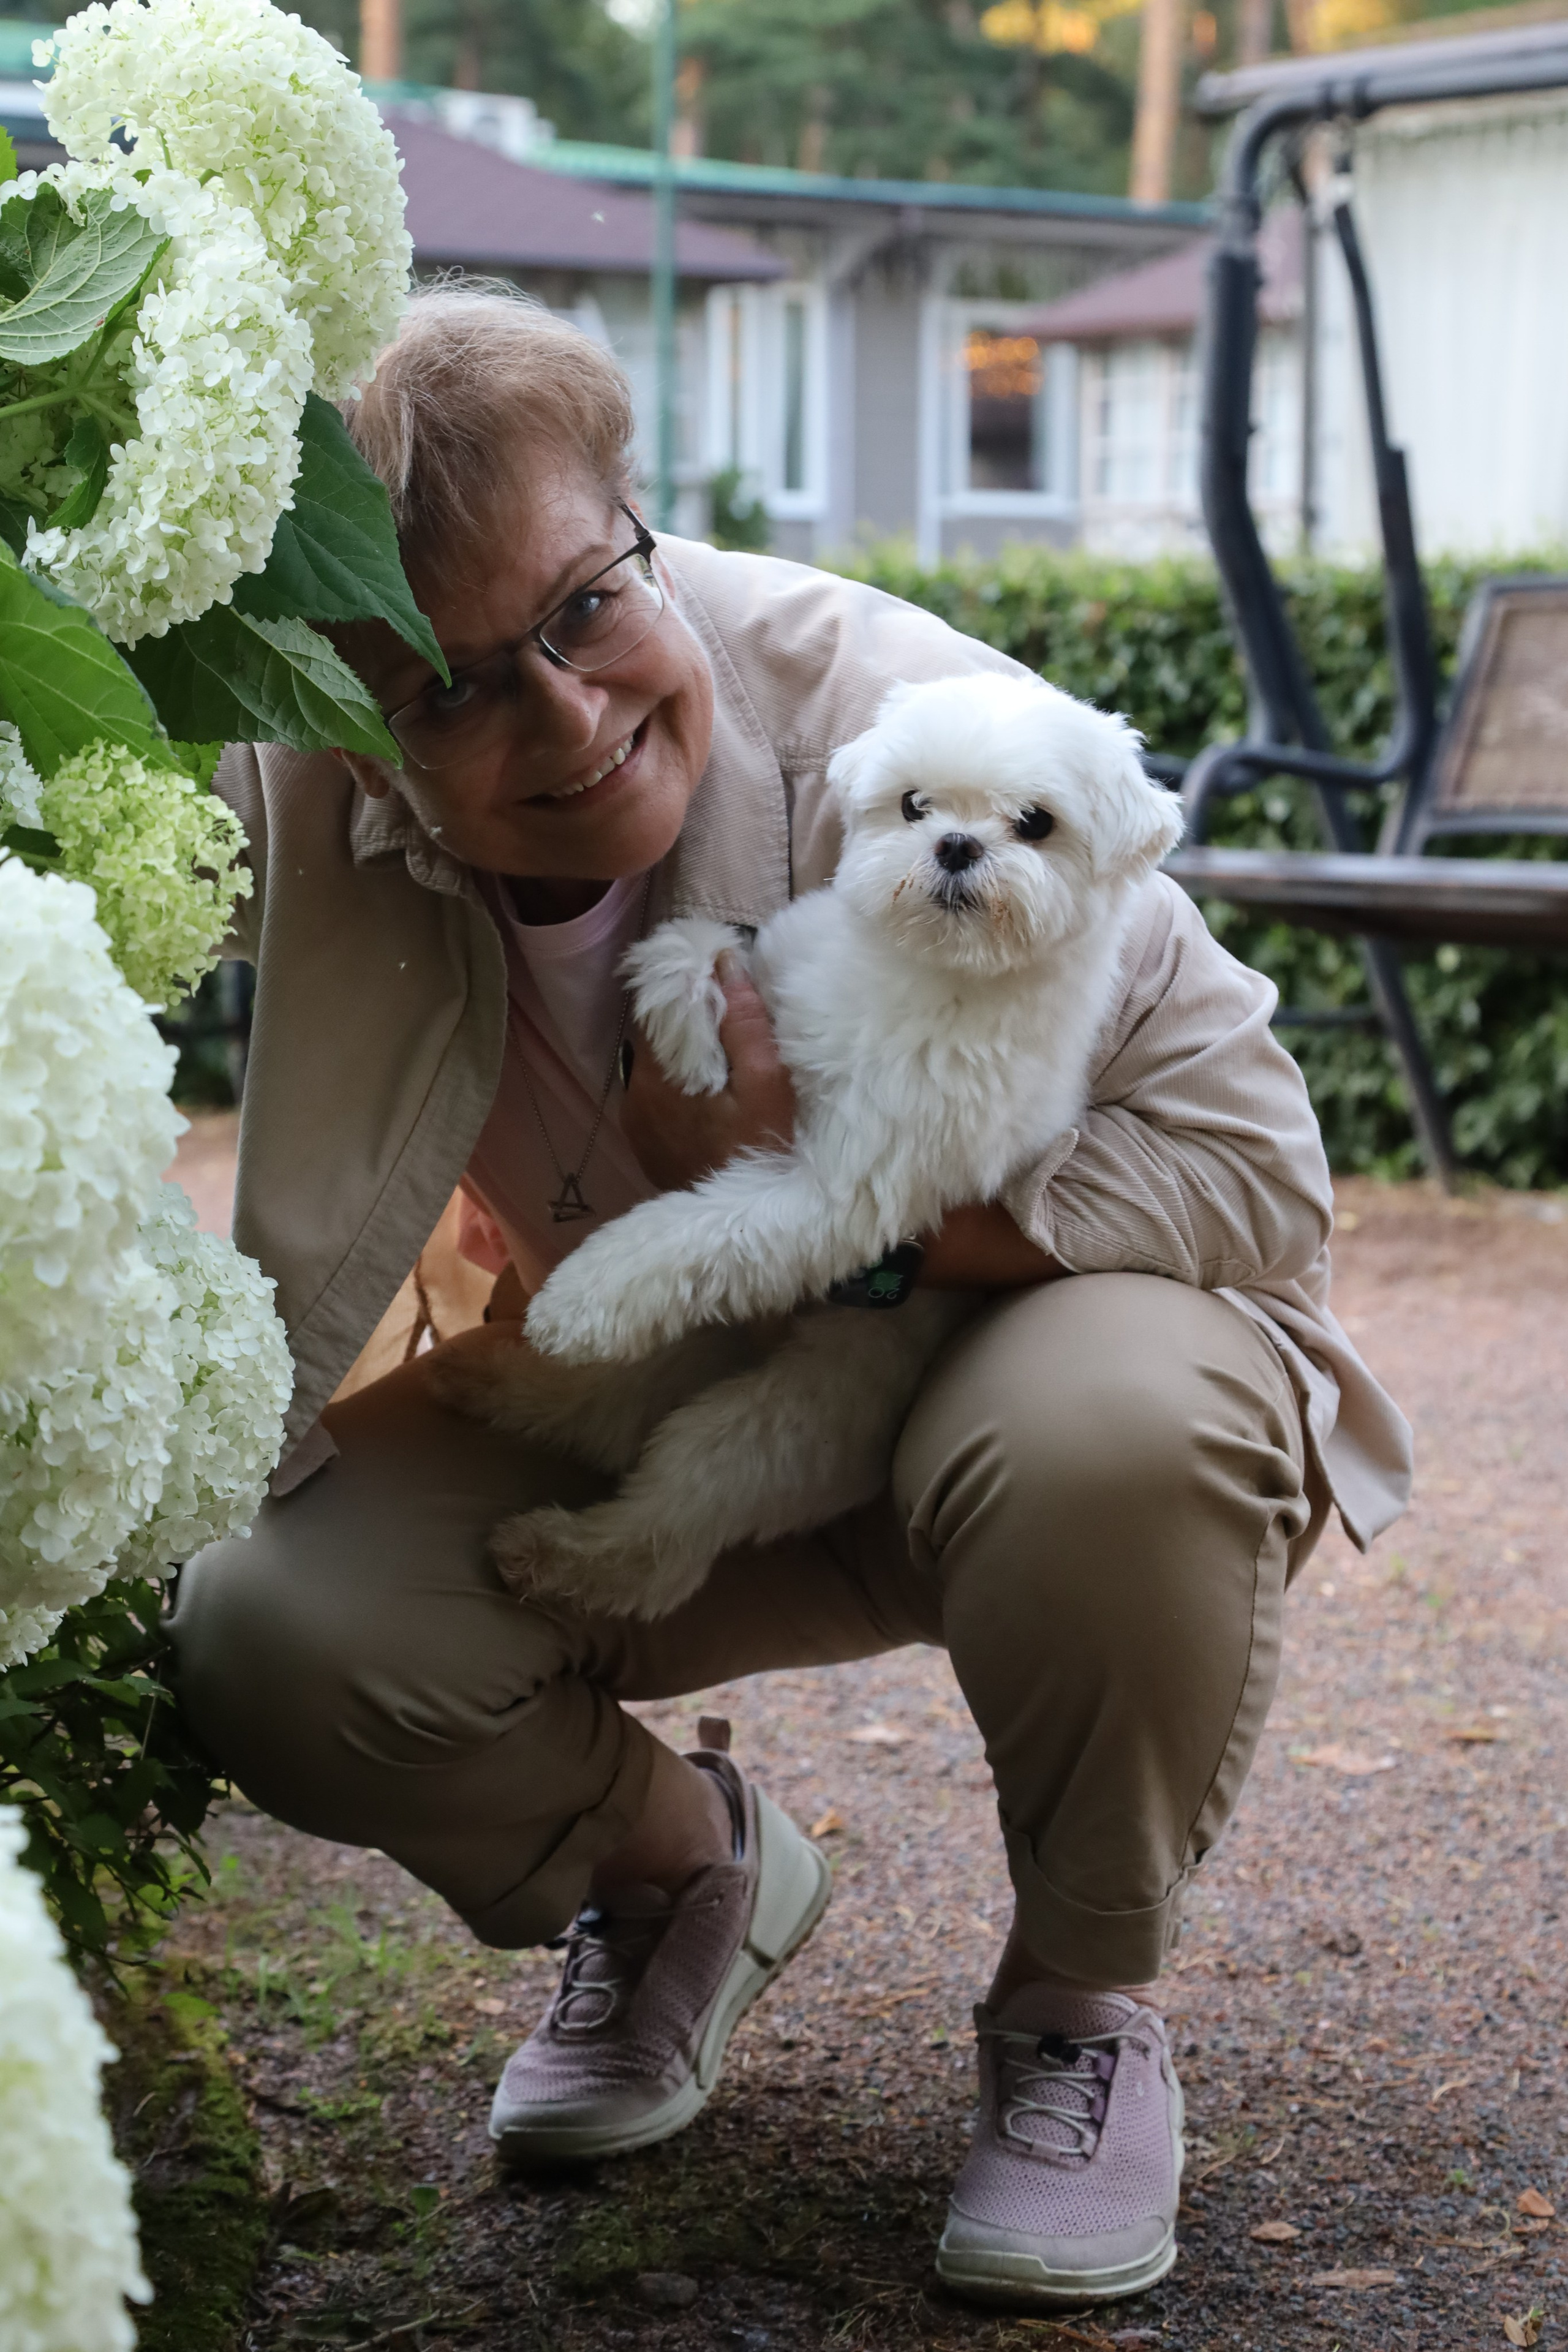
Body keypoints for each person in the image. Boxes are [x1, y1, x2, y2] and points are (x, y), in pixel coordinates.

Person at [170, 284, 1412, 2313]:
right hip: (672, 1397)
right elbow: (84, 829)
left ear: (644, 529)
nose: (565, 718)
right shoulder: (304, 779)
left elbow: (1258, 1170)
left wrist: (876, 1227)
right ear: (353, 718)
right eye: (452, 688)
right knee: (271, 1627)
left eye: (587, 607)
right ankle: (681, 1871)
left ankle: (1077, 2005)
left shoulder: (920, 731)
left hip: (1013, 1397)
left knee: (1109, 1436)